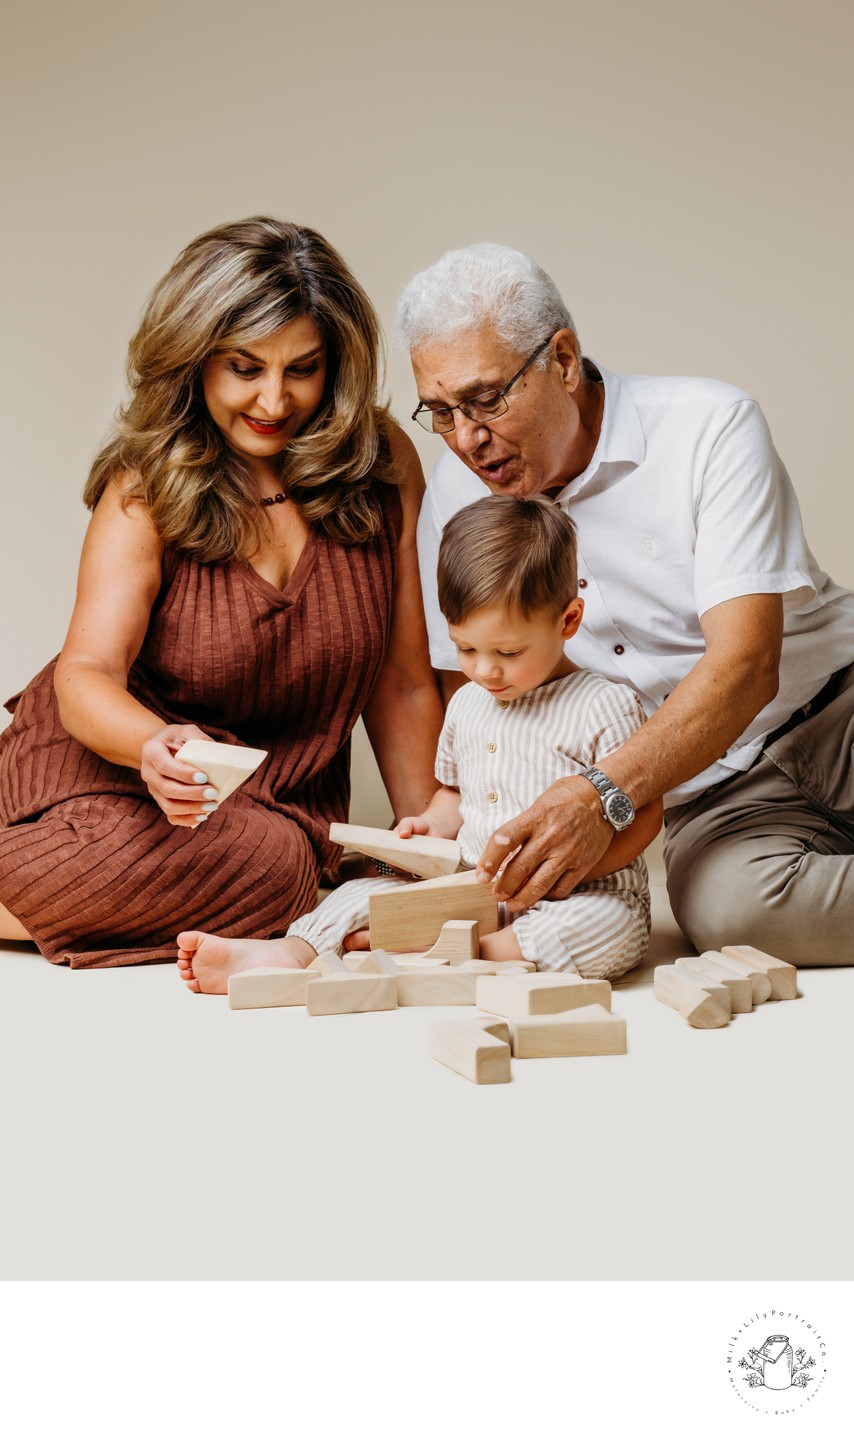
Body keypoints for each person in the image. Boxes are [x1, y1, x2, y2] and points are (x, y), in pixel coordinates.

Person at [0, 217, 444, 967]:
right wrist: (151, 745)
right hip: (113, 770)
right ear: (194, 359)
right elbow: (85, 676)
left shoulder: (382, 463)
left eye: (302, 369)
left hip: (269, 810)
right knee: (277, 872)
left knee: (276, 858)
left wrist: (430, 838)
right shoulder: (146, 484)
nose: (275, 399)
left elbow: (402, 683)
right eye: (245, 368)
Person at [395, 243, 854, 967]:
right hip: (706, 788)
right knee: (731, 912)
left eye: (486, 399)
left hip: (838, 710)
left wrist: (599, 794)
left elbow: (747, 665)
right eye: (443, 412)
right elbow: (484, 703)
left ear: (565, 360)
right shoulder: (455, 501)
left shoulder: (710, 424)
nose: (467, 439)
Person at [177, 495, 662, 991]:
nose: (485, 670)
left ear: (569, 620)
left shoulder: (604, 705)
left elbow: (645, 813)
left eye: (509, 652)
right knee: (364, 891)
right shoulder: (469, 704)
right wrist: (430, 824)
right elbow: (455, 794)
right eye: (466, 648)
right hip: (474, 889)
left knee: (602, 927)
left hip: (583, 893)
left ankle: (457, 952)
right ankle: (290, 951)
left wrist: (564, 875)